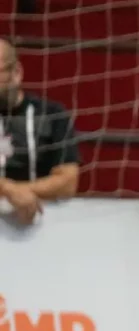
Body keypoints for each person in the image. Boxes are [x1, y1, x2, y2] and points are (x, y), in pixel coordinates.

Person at [0, 39, 79, 226]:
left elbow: (68, 182)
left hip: (43, 223)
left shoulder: (51, 114)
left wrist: (21, 191)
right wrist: (8, 189)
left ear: (16, 73)